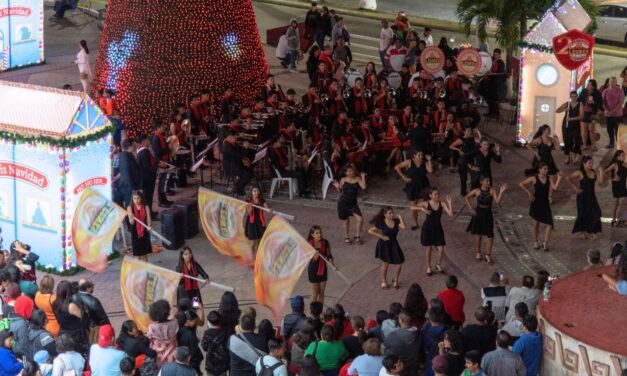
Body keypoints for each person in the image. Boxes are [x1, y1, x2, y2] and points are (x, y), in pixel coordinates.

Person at [519, 163, 561, 252]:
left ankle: (545, 242)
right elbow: (521, 184)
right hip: (536, 203)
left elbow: (554, 188)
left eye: (547, 169)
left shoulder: (549, 178)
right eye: (545, 169)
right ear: (539, 169)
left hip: (545, 203)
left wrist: (559, 179)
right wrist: (529, 192)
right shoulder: (534, 178)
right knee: (536, 224)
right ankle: (535, 241)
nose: (547, 171)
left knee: (549, 224)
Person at [465, 176, 507, 264]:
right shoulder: (477, 191)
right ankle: (478, 253)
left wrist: (501, 192)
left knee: (490, 235)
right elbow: (466, 197)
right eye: (486, 181)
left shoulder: (492, 190)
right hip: (479, 214)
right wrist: (470, 208)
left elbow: (498, 201)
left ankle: (488, 254)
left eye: (489, 181)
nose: (488, 182)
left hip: (488, 214)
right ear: (481, 182)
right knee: (478, 234)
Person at [413, 188, 453, 275]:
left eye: (438, 194)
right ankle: (429, 267)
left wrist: (449, 203)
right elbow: (412, 207)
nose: (437, 196)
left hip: (438, 228)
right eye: (435, 194)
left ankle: (438, 264)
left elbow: (450, 214)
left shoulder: (441, 203)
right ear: (430, 195)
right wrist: (422, 209)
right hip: (427, 228)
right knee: (429, 249)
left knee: (441, 249)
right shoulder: (426, 203)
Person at [368, 206, 406, 290]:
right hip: (384, 245)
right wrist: (381, 236)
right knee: (385, 264)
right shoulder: (381, 222)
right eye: (390, 213)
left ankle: (395, 280)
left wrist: (400, 218)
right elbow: (370, 231)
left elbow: (403, 227)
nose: (392, 214)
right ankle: (384, 281)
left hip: (394, 243)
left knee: (399, 264)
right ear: (385, 215)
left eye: (392, 212)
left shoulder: (396, 221)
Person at [565, 156, 604, 238]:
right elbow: (568, 178)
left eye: (592, 163)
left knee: (597, 213)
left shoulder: (594, 172)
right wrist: (576, 188)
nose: (591, 165)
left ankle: (591, 231)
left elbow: (600, 182)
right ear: (584, 163)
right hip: (582, 197)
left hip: (592, 197)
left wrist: (601, 172)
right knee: (582, 215)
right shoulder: (580, 172)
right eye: (589, 163)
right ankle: (582, 232)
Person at [395, 149, 433, 229]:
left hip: (424, 186)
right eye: (419, 155)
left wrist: (429, 160)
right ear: (414, 156)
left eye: (422, 155)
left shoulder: (424, 163)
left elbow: (430, 170)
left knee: (426, 206)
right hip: (412, 187)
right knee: (414, 208)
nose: (421, 157)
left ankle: (429, 223)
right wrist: (403, 177)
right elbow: (396, 167)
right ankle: (416, 223)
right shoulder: (409, 162)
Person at [333, 165, 367, 245]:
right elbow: (340, 191)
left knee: (360, 219)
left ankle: (357, 236)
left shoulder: (357, 179)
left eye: (352, 171)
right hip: (343, 203)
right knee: (346, 221)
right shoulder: (343, 179)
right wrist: (337, 187)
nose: (352, 172)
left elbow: (364, 187)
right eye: (349, 171)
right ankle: (347, 237)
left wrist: (363, 177)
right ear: (346, 173)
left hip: (353, 204)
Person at [52, 281, 87, 353]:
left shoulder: (55, 303)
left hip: (63, 331)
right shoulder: (70, 306)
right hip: (74, 334)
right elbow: (83, 316)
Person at [526, 124, 559, 192]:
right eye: (548, 130)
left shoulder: (551, 139)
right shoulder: (539, 139)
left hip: (549, 159)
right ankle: (541, 190)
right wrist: (535, 152)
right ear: (544, 131)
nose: (550, 131)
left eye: (550, 130)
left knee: (553, 176)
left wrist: (557, 140)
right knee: (540, 176)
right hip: (540, 160)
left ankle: (550, 191)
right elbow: (528, 145)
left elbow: (557, 149)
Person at [147, 300, 178, 367]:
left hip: (159, 357)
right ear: (168, 311)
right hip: (173, 355)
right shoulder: (175, 323)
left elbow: (148, 340)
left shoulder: (152, 327)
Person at [307, 226, 334, 304]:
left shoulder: (325, 242)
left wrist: (333, 264)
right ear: (312, 235)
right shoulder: (309, 244)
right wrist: (316, 256)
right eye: (317, 233)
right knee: (315, 294)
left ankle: (320, 313)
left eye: (320, 232)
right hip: (313, 271)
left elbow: (329, 255)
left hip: (323, 270)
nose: (319, 235)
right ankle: (313, 313)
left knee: (321, 293)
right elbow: (312, 260)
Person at [557, 91, 584, 165]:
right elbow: (557, 110)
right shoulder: (567, 104)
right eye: (572, 96)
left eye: (575, 96)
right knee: (567, 141)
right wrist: (564, 110)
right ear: (570, 97)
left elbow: (581, 116)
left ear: (577, 97)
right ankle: (567, 157)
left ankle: (574, 156)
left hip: (575, 125)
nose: (573, 98)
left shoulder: (580, 104)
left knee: (577, 141)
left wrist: (571, 119)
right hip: (566, 125)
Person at [421, 308, 449, 376]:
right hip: (445, 360)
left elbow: (424, 348)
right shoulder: (448, 329)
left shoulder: (425, 334)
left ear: (429, 319)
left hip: (431, 361)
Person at [202, 311, 230, 376]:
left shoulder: (207, 333)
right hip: (223, 364)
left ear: (209, 322)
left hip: (211, 365)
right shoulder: (225, 332)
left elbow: (204, 346)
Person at [136, 133, 158, 216]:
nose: (149, 141)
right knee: (148, 197)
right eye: (148, 139)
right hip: (147, 178)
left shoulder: (140, 149)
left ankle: (149, 212)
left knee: (148, 197)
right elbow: (147, 166)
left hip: (144, 177)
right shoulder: (145, 151)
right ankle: (149, 215)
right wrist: (158, 170)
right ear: (144, 140)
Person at [127, 190, 152, 261]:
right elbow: (131, 223)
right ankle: (138, 271)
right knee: (137, 255)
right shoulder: (129, 208)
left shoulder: (145, 207)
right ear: (132, 199)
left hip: (145, 231)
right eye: (134, 198)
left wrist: (149, 226)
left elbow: (148, 218)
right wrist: (132, 217)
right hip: (135, 232)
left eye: (138, 198)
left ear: (141, 198)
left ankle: (145, 270)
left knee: (144, 254)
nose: (136, 200)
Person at [176, 310, 204, 375]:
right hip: (192, 361)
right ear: (188, 321)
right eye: (194, 321)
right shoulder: (190, 334)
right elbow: (194, 351)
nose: (195, 323)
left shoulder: (179, 329)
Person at [604, 150, 627, 226]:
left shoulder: (625, 165)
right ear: (617, 157)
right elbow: (605, 171)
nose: (624, 157)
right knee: (616, 204)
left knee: (624, 203)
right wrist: (611, 178)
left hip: (623, 185)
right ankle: (613, 220)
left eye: (624, 155)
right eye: (622, 155)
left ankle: (622, 219)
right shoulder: (614, 165)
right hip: (616, 185)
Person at [245, 186, 270, 255]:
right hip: (252, 222)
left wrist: (269, 209)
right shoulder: (249, 201)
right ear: (251, 192)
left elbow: (267, 208)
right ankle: (251, 255)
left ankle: (257, 256)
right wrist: (250, 206)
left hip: (260, 222)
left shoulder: (261, 200)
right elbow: (249, 213)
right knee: (253, 241)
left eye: (257, 191)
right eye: (254, 191)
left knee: (259, 240)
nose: (256, 192)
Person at [578, 79, 603, 149]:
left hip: (593, 113)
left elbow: (600, 103)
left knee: (592, 130)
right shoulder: (584, 91)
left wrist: (594, 102)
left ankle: (593, 145)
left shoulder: (597, 93)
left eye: (589, 84)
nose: (588, 86)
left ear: (593, 86)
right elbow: (579, 99)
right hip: (584, 113)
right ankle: (584, 145)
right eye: (588, 84)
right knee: (584, 130)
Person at [602, 77, 625, 149]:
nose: (612, 83)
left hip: (618, 114)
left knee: (617, 130)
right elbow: (602, 102)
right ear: (609, 82)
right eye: (610, 82)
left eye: (613, 82)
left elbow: (621, 102)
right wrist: (607, 110)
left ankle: (619, 144)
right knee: (609, 129)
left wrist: (613, 111)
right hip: (608, 114)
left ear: (616, 82)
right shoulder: (605, 91)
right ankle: (611, 143)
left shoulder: (620, 91)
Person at [9, 295, 34, 360]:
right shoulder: (22, 324)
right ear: (25, 309)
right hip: (26, 355)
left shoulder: (14, 317)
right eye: (30, 308)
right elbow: (24, 346)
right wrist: (32, 359)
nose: (32, 310)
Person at [118, 139, 141, 208]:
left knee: (133, 205)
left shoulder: (129, 154)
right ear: (130, 146)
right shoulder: (124, 156)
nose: (135, 146)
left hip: (132, 185)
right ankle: (128, 219)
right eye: (134, 145)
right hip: (128, 187)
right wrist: (132, 189)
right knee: (129, 206)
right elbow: (126, 175)